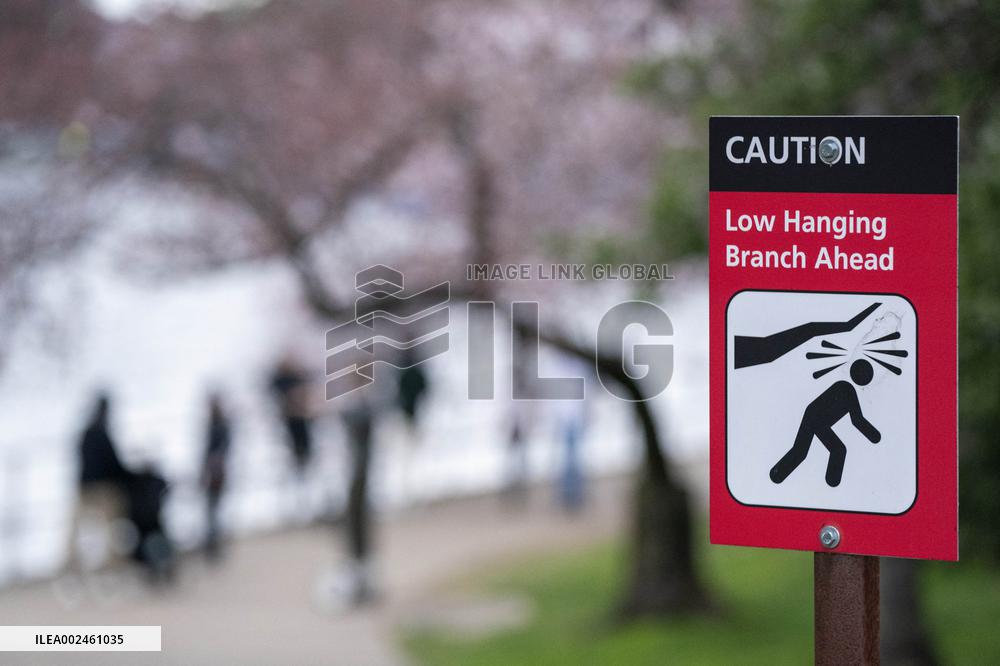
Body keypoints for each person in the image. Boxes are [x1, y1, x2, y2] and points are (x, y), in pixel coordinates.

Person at [770, 358, 882, 487]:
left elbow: (857, 420)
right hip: (813, 417)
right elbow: (857, 420)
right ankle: (777, 475)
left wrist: (874, 436)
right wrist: (874, 436)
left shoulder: (848, 390)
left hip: (819, 420)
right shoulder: (845, 388)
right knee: (822, 450)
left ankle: (829, 483)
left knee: (809, 451)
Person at [68, 392, 129, 572]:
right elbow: (113, 463)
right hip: (101, 488)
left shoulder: (87, 432)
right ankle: (112, 561)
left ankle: (72, 562)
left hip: (85, 485)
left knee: (77, 527)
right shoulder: (100, 433)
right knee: (111, 524)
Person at [269, 355, 314, 483]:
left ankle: (303, 464)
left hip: (300, 417)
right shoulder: (280, 380)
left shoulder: (297, 378)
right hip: (288, 418)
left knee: (303, 444)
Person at [201, 393, 231, 561]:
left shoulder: (219, 425)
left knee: (213, 512)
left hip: (216, 476)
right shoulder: (217, 424)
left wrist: (210, 469)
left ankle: (214, 546)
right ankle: (213, 546)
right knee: (213, 512)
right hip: (215, 474)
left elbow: (216, 452)